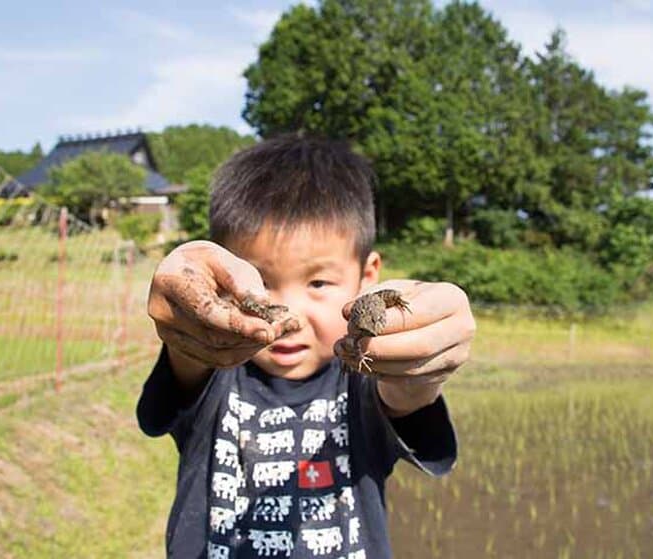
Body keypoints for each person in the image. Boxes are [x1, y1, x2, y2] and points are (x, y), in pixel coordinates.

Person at [137, 134, 475, 558]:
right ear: (225, 278)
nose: (289, 314)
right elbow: (188, 352)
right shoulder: (215, 370)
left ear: (367, 276)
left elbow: (407, 395)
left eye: (318, 283)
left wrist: (425, 363)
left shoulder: (362, 383)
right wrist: (188, 303)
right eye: (258, 284)